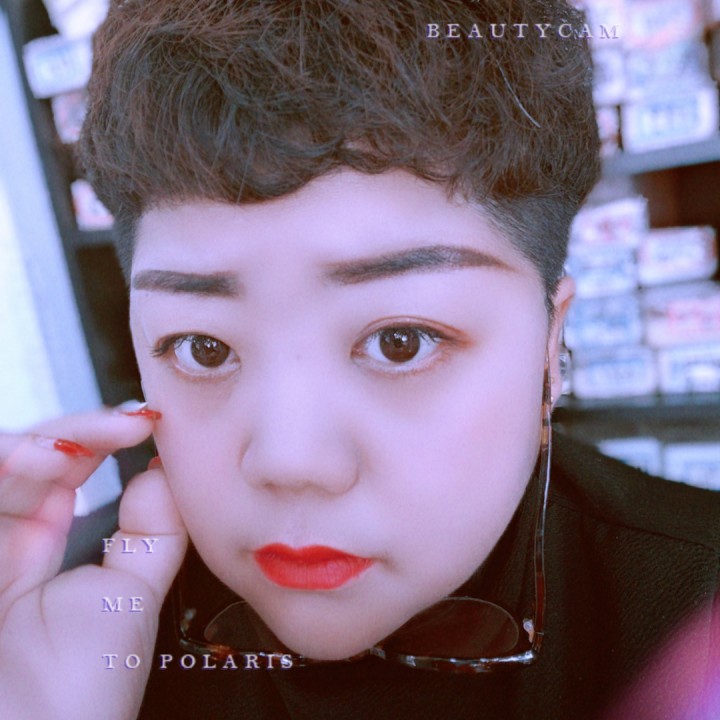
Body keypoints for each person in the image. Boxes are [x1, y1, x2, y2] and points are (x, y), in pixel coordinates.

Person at [1, 0, 718, 718]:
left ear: (549, 349)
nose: (291, 462)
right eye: (204, 349)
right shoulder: (60, 634)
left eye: (400, 341)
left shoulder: (695, 619)